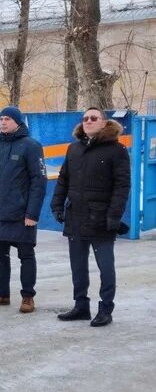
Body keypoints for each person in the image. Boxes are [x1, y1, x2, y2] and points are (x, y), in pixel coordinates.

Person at [51, 107, 130, 327]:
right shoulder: (73, 149)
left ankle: (106, 309)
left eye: (93, 118)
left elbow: (122, 187)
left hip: (101, 219)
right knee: (77, 265)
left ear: (104, 123)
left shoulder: (117, 151)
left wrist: (114, 216)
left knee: (105, 266)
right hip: (75, 216)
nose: (88, 121)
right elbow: (63, 180)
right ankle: (81, 306)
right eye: (85, 118)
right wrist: (57, 205)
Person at [0, 106, 47, 313]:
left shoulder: (31, 146)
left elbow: (39, 182)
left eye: (7, 119)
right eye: (1, 119)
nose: (3, 122)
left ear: (18, 122)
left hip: (21, 215)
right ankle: (1, 294)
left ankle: (27, 297)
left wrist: (32, 214)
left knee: (26, 255)